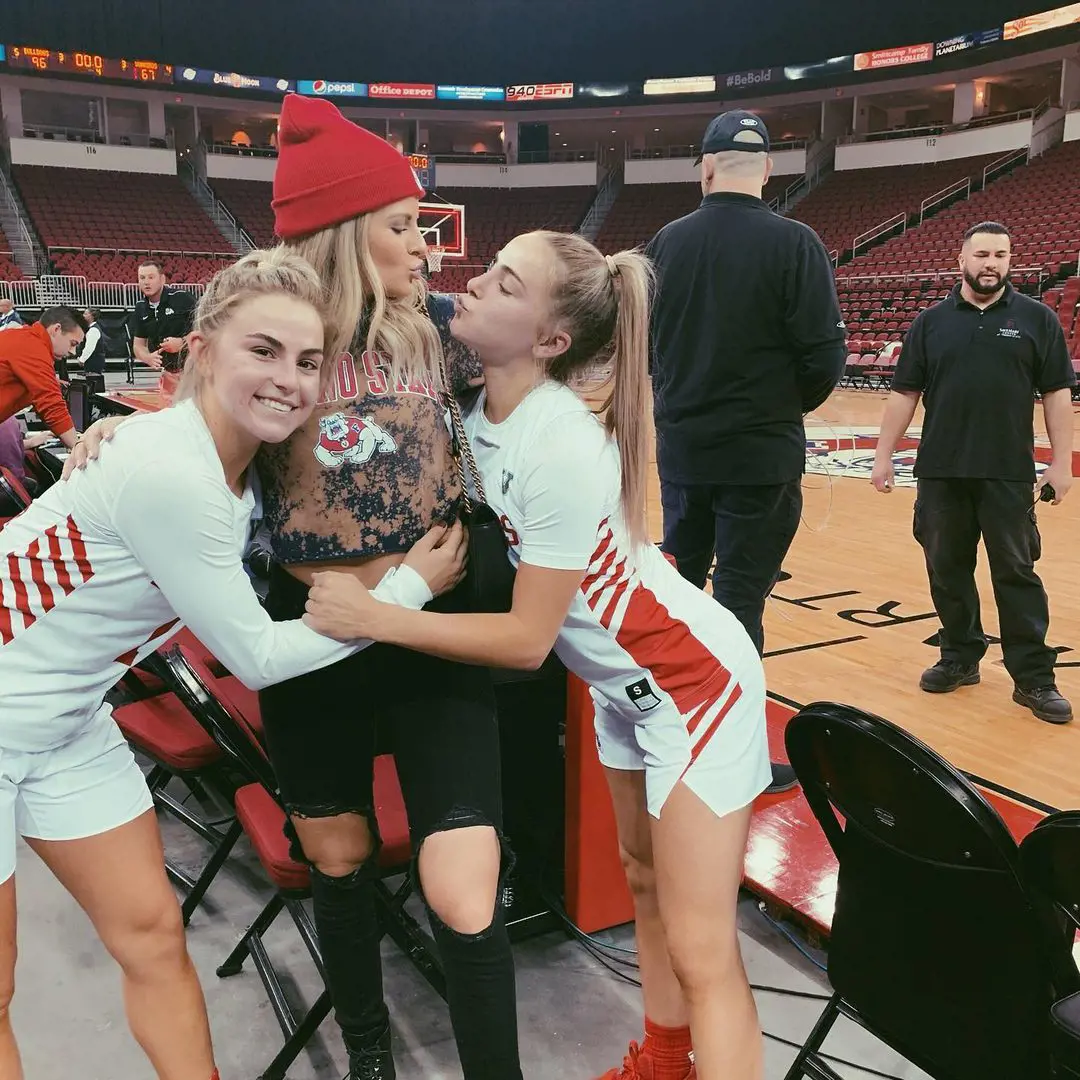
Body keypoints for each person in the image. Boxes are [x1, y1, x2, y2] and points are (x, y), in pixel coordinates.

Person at [73, 94, 522, 1080]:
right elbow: (191, 416)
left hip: (434, 634)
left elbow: (558, 373)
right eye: (402, 224)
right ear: (340, 231)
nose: (423, 244)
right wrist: (120, 434)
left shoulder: (438, 329)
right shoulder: (275, 335)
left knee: (465, 892)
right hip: (310, 639)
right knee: (340, 862)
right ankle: (368, 1056)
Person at [304, 230, 771, 1080]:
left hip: (693, 690)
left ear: (551, 341)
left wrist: (378, 614)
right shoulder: (472, 408)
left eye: (506, 283)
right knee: (642, 880)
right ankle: (664, 1064)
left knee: (704, 947)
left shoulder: (559, 441)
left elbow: (525, 642)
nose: (473, 281)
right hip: (625, 692)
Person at [1, 248, 464, 1080]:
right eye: (263, 350)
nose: (289, 378)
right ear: (204, 347)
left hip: (66, 720)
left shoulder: (241, 468)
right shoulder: (169, 469)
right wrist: (403, 591)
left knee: (151, 937)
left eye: (308, 361)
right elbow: (254, 656)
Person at [645, 111, 847, 794]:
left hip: (682, 451)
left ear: (704, 167)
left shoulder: (664, 244)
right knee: (738, 605)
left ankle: (666, 733)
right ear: (766, 170)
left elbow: (646, 344)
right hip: (760, 456)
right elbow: (824, 356)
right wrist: (775, 409)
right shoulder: (795, 242)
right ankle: (737, 761)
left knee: (675, 593)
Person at [872, 221, 1075, 723]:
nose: (991, 264)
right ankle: (960, 657)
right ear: (962, 259)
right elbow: (904, 394)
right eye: (982, 254)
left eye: (1001, 256)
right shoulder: (931, 322)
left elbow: (1057, 395)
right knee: (947, 570)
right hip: (942, 471)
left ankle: (1033, 678)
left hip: (1007, 473)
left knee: (1016, 573)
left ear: (1011, 261)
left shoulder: (1037, 319)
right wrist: (882, 454)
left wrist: (1061, 463)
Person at [0, 307, 85, 449]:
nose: (73, 352)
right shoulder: (32, 346)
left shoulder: (22, 338)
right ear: (56, 329)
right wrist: (79, 449)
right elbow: (51, 405)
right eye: (73, 343)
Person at [130, 260, 196, 399]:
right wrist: (147, 357)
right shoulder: (141, 307)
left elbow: (207, 329)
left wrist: (182, 343)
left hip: (195, 372)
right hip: (168, 374)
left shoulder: (182, 298)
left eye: (151, 277)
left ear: (162, 279)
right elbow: (138, 345)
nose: (146, 282)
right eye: (142, 278)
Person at [79, 308, 108, 375]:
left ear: (92, 316)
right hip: (92, 361)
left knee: (93, 382)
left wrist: (82, 359)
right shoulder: (90, 328)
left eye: (85, 314)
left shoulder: (93, 330)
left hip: (94, 362)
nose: (83, 315)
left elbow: (89, 347)